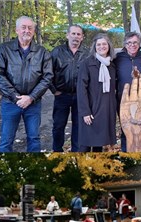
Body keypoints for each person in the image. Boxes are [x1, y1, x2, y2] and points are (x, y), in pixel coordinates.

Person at [0, 16, 53, 152]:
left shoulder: (42, 52)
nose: (27, 30)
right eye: (24, 27)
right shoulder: (3, 50)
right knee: (6, 140)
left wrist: (31, 97)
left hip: (33, 103)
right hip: (10, 103)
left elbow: (47, 77)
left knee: (34, 139)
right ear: (17, 30)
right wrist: (16, 97)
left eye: (30, 28)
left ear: (34, 31)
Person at [50, 24, 89, 152]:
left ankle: (76, 152)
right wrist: (54, 90)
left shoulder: (87, 53)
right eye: (73, 34)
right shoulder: (57, 51)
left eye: (78, 34)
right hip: (62, 95)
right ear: (67, 35)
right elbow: (47, 72)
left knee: (78, 126)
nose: (76, 37)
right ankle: (57, 151)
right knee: (58, 125)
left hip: (80, 96)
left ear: (82, 37)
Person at [77, 33, 117, 152]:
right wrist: (85, 112)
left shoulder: (112, 65)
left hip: (106, 111)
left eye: (104, 44)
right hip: (91, 110)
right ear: (94, 47)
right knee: (85, 145)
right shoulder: (87, 63)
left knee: (99, 145)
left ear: (109, 45)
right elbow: (81, 89)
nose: (101, 47)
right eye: (98, 44)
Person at [114, 32, 141, 152]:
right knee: (126, 128)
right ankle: (126, 152)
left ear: (139, 43)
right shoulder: (118, 58)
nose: (132, 45)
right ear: (125, 44)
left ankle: (140, 152)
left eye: (135, 42)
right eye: (129, 43)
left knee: (140, 128)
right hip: (123, 99)